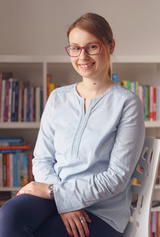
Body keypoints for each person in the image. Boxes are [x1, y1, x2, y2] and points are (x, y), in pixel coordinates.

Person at [0, 12, 145, 237]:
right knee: (9, 214)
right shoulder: (58, 97)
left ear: (110, 46)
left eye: (92, 47)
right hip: (53, 197)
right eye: (75, 48)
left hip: (101, 210)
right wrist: (63, 200)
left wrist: (57, 194)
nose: (82, 56)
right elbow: (42, 159)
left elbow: (116, 178)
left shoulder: (127, 103)